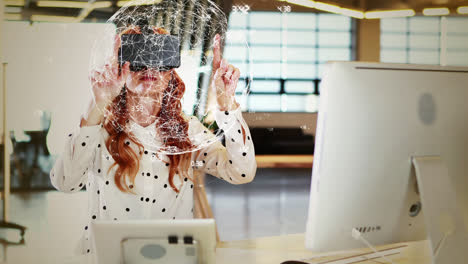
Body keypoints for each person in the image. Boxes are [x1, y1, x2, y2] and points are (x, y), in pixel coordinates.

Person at [49, 25, 257, 255]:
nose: (150, 68)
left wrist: (226, 104)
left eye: (161, 60)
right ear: (121, 69)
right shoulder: (97, 130)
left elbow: (242, 172)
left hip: (171, 257)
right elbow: (65, 182)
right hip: (107, 257)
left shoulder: (187, 132)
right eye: (138, 59)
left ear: (171, 74)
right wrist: (97, 105)